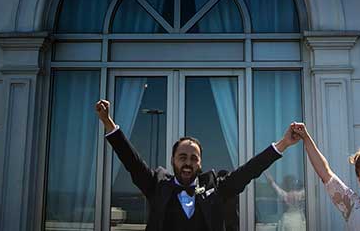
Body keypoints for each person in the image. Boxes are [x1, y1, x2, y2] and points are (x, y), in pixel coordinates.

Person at [95, 99, 303, 231]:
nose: (188, 163)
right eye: (183, 157)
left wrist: (283, 143)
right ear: (173, 160)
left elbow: (249, 171)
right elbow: (132, 162)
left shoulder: (217, 187)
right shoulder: (157, 185)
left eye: (194, 158)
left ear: (201, 163)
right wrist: (108, 123)